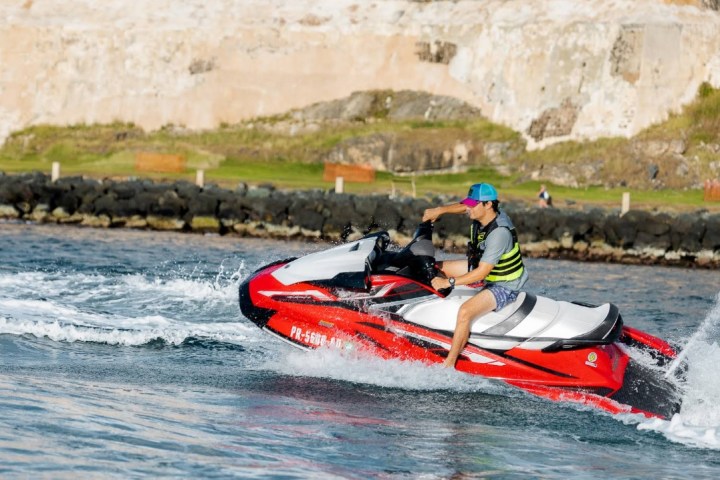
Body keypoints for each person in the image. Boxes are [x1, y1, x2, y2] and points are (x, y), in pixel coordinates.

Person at [422, 183, 528, 368]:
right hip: (482, 268)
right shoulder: (484, 212)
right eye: (469, 203)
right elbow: (462, 207)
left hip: (504, 284)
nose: (468, 208)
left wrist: (449, 282)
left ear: (487, 205)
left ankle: (449, 364)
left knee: (465, 312)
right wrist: (439, 211)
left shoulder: (499, 233)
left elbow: (482, 272)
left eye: (473, 204)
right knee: (434, 267)